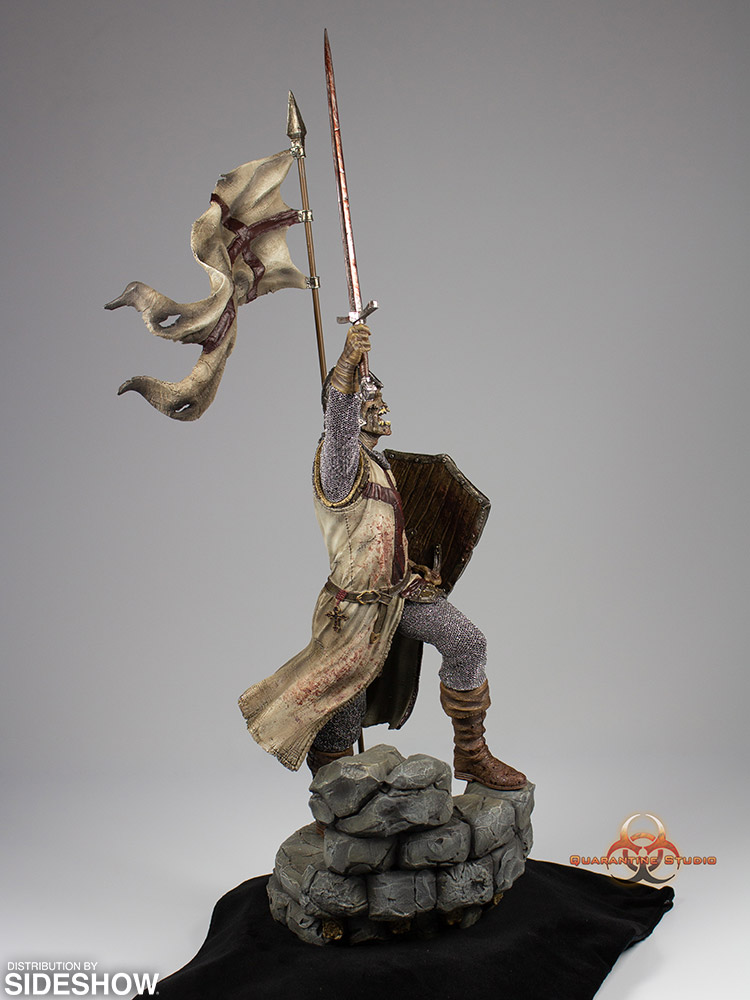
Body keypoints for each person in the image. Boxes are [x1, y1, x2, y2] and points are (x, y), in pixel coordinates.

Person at [239, 325, 526, 790]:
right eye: (369, 400)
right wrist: (347, 367)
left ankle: (472, 755)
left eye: (378, 397)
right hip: (354, 611)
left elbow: (378, 534)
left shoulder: (380, 465)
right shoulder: (339, 466)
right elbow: (338, 422)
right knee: (342, 704)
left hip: (397, 594)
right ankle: (335, 800)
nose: (381, 405)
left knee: (466, 641)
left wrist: (407, 564)